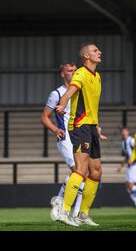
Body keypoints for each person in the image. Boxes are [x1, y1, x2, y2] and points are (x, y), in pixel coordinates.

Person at [55, 42, 107, 227]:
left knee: (96, 171)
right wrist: (61, 105)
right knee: (81, 169)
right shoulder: (81, 73)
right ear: (86, 56)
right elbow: (70, 91)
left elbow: (93, 105)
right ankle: (64, 211)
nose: (99, 52)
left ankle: (82, 215)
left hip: (91, 127)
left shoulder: (98, 76)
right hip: (79, 126)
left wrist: (97, 126)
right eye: (95, 50)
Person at [41, 62, 83, 224]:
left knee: (80, 175)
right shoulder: (57, 93)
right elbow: (44, 117)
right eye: (69, 71)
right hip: (65, 138)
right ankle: (73, 214)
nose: (73, 73)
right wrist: (55, 129)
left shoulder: (79, 91)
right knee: (80, 175)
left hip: (79, 136)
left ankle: (60, 202)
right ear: (62, 74)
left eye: (74, 70)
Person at [117, 127, 136, 209]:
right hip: (129, 166)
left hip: (135, 165)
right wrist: (121, 166)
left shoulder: (131, 140)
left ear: (128, 132)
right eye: (122, 132)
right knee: (128, 186)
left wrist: (133, 159)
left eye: (125, 131)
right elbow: (127, 156)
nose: (123, 133)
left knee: (131, 186)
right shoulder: (123, 143)